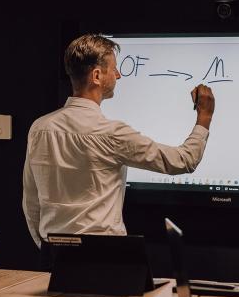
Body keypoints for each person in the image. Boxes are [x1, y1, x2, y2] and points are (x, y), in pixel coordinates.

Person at [22, 34, 215, 260]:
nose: (118, 75)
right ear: (96, 75)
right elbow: (184, 160)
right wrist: (205, 116)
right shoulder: (112, 134)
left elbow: (31, 202)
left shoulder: (39, 128)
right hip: (106, 259)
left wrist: (48, 250)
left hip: (54, 254)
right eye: (114, 69)